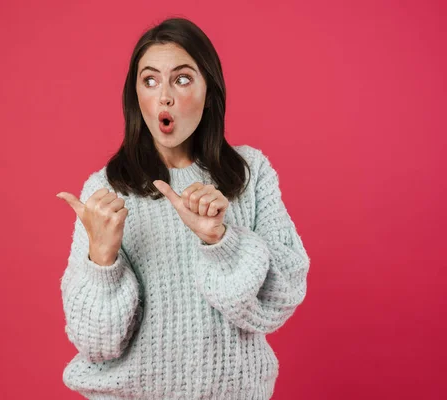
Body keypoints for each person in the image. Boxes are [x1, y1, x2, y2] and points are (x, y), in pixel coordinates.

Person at [55, 17, 310, 400]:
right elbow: (96, 344)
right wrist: (102, 260)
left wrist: (220, 240)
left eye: (183, 78)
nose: (165, 97)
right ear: (136, 95)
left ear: (210, 90)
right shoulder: (106, 190)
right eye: (150, 80)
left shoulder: (250, 173)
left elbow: (281, 296)